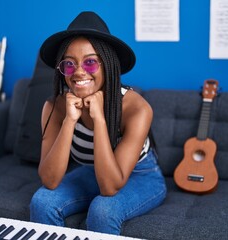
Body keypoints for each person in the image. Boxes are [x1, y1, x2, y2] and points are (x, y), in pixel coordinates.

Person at [30, 11, 167, 235]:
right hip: (93, 170)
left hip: (142, 176)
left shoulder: (136, 109)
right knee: (41, 201)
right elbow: (50, 180)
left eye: (91, 62)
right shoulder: (55, 107)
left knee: (103, 210)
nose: (79, 72)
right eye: (69, 64)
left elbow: (109, 186)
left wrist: (99, 119)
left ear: (108, 65)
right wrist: (69, 121)